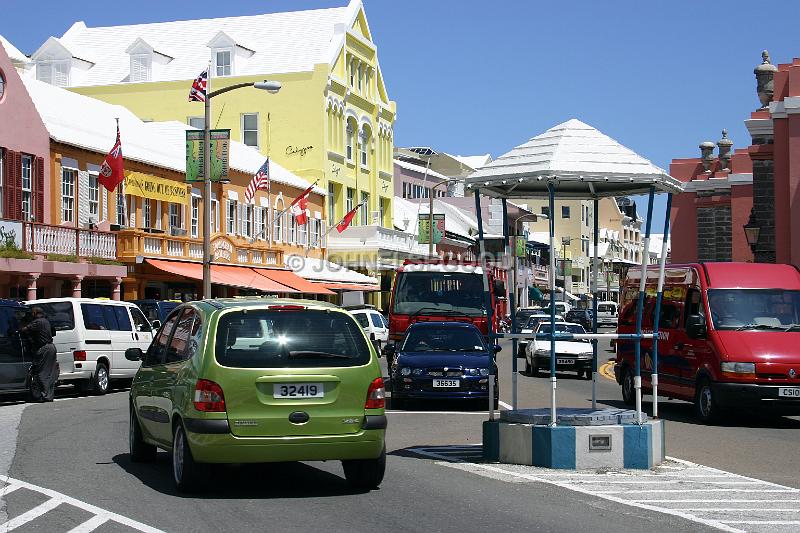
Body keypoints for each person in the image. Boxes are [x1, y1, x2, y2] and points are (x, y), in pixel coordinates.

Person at [20, 307, 59, 402]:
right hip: (51, 347)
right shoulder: (46, 321)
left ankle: (45, 396)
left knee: (41, 374)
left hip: (45, 349)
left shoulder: (38, 322)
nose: (31, 314)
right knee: (49, 373)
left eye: (32, 313)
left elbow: (24, 329)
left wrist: (18, 328)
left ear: (35, 313)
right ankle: (48, 396)